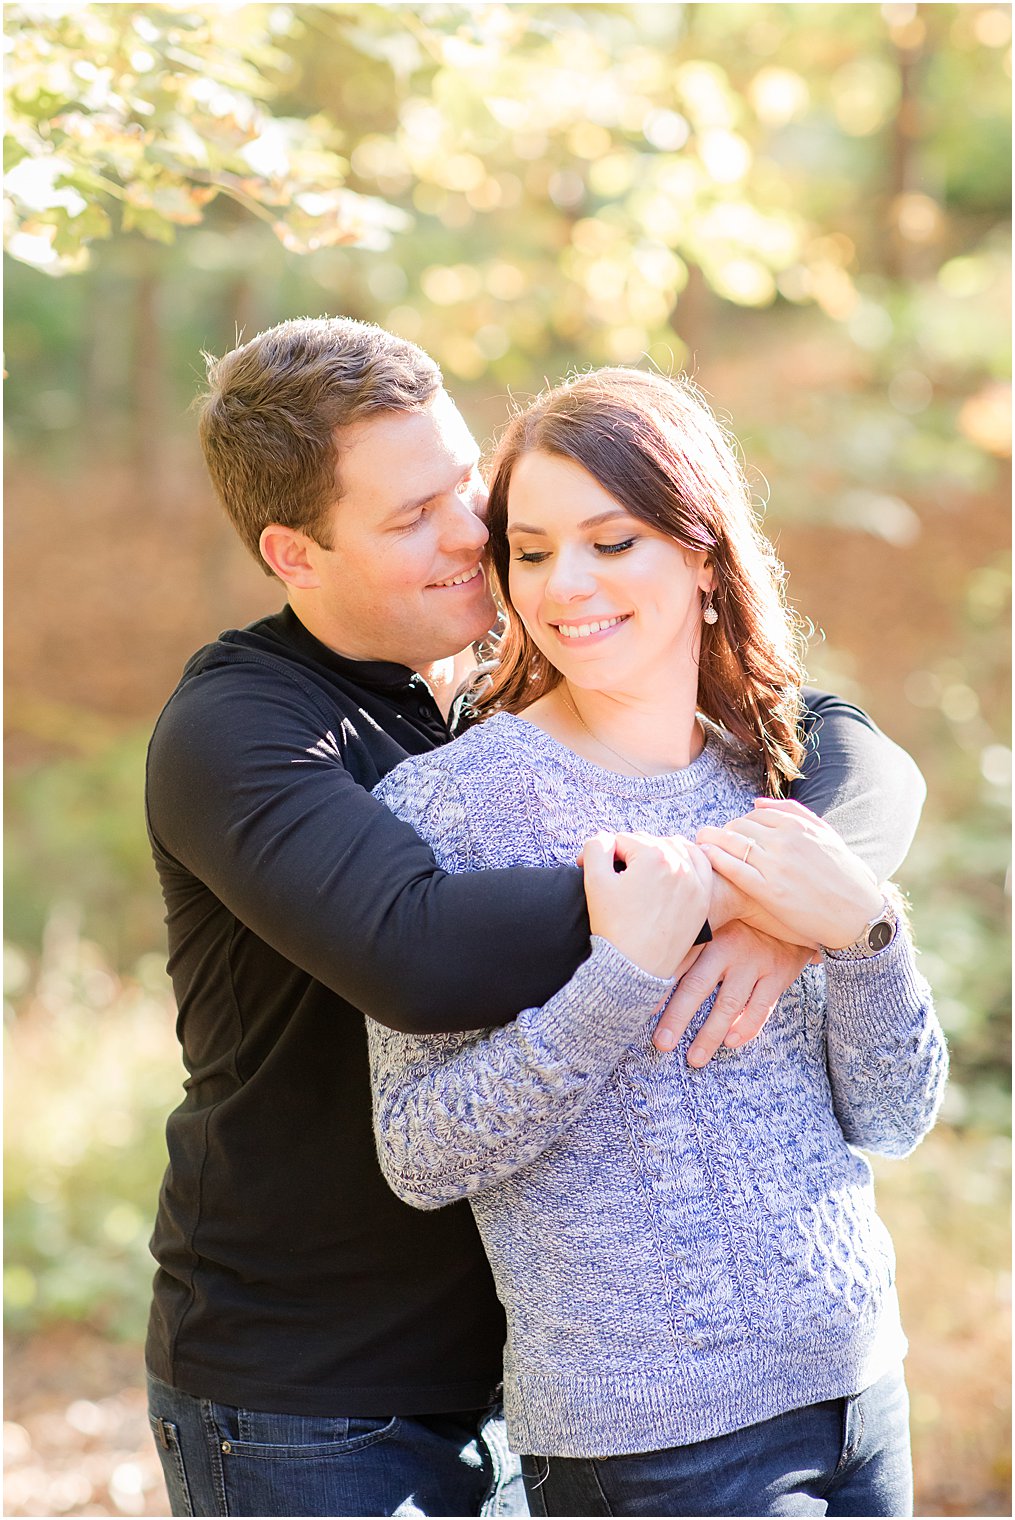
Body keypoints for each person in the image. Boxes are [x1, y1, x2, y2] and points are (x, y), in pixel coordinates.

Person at [144, 317, 927, 1518]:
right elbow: (418, 947)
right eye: (410, 517)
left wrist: (812, 913)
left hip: (543, 1352)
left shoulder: (516, 646)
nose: (470, 531)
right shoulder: (239, 731)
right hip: (319, 1378)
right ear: (294, 553)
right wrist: (734, 886)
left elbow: (848, 746)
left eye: (462, 483)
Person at [368, 366, 948, 1518]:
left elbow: (892, 1115)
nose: (563, 585)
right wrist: (619, 978)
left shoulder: (776, 772)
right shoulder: (452, 807)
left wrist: (867, 934)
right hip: (652, 1441)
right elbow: (417, 1148)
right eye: (530, 551)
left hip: (859, 1385)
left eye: (611, 540)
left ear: (700, 551)